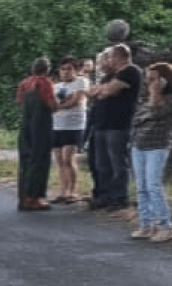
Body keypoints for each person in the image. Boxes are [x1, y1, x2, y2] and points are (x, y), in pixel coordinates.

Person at [86, 44, 143, 211]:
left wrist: (102, 90)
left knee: (117, 162)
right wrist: (100, 90)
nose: (108, 61)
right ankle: (104, 195)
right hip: (101, 124)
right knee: (101, 163)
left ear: (119, 56)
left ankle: (119, 197)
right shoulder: (110, 75)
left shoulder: (130, 72)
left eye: (110, 57)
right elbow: (92, 92)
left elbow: (109, 91)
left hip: (118, 124)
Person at [129, 62, 172, 242]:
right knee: (141, 187)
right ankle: (146, 224)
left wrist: (156, 95)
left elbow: (155, 114)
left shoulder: (168, 101)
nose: (149, 83)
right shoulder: (146, 100)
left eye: (153, 79)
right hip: (139, 144)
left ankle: (165, 225)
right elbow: (138, 119)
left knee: (153, 186)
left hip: (157, 145)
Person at [16, 57, 57, 211]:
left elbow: (20, 102)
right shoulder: (44, 83)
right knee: (39, 160)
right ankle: (34, 197)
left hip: (26, 124)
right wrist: (60, 104)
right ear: (47, 69)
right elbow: (51, 104)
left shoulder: (24, 83)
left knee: (25, 160)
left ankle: (23, 196)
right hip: (41, 125)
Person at [51, 56, 88, 203]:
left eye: (69, 69)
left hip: (74, 125)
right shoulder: (56, 86)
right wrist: (62, 102)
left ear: (76, 70)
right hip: (57, 124)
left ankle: (72, 191)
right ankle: (63, 190)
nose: (66, 72)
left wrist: (61, 104)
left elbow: (76, 101)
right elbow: (51, 102)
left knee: (68, 158)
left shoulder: (81, 82)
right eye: (63, 69)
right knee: (59, 160)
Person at [83, 51, 113, 204]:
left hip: (108, 124)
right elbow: (89, 92)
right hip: (95, 122)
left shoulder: (113, 78)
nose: (100, 65)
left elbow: (97, 93)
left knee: (105, 162)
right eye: (99, 62)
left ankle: (106, 194)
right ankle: (98, 191)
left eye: (102, 61)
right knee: (94, 161)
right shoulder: (101, 79)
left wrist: (96, 91)